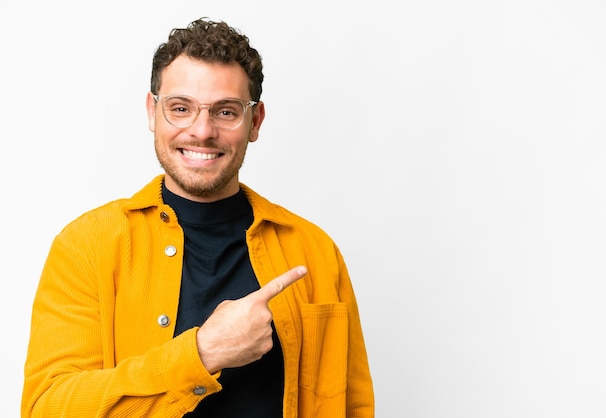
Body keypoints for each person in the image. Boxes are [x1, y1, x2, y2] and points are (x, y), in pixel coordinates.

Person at [21, 17, 374, 418]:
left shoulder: (315, 252)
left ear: (254, 122)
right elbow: (46, 408)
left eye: (225, 112)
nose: (202, 131)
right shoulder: (87, 245)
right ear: (153, 112)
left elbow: (353, 406)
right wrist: (204, 352)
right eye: (181, 108)